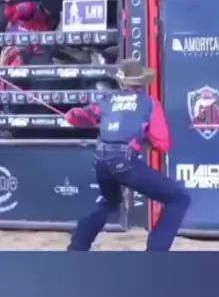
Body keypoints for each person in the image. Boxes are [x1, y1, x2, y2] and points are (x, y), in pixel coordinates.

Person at [65, 58, 190, 251]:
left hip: (102, 162)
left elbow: (79, 118)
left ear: (121, 81)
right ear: (142, 82)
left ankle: (78, 246)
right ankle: (156, 253)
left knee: (109, 202)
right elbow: (163, 144)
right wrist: (146, 136)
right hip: (125, 163)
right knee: (179, 199)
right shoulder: (149, 103)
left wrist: (72, 114)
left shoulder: (106, 100)